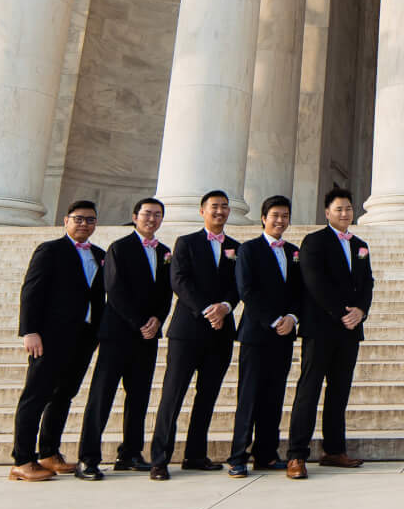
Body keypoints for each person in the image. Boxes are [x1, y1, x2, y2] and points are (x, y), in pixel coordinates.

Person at [74, 197, 171, 480]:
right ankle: (88, 458)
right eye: (146, 214)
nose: (151, 219)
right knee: (101, 396)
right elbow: (114, 290)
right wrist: (140, 321)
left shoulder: (164, 252)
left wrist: (157, 319)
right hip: (118, 334)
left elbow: (166, 292)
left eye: (157, 215)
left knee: (139, 397)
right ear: (135, 216)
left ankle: (130, 453)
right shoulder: (119, 247)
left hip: (147, 337)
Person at [9, 202, 106, 482]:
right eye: (78, 219)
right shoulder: (50, 250)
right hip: (49, 336)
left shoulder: (99, 255)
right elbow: (31, 290)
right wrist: (29, 331)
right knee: (35, 395)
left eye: (90, 220)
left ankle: (49, 452)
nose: (84, 224)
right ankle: (22, 459)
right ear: (66, 221)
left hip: (84, 337)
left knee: (63, 395)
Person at [148, 190, 240, 479]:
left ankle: (195, 455)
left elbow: (239, 285)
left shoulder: (237, 248)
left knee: (207, 395)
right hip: (188, 331)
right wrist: (206, 310)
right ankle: (159, 459)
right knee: (173, 395)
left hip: (221, 331)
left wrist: (224, 307)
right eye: (214, 207)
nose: (220, 211)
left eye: (225, 207)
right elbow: (179, 280)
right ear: (202, 211)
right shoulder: (186, 242)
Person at [287, 185, 373, 477]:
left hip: (350, 331)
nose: (345, 213)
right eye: (339, 209)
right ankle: (296, 454)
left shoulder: (360, 244)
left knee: (340, 391)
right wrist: (341, 313)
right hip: (320, 328)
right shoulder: (314, 241)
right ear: (327, 213)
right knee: (309, 390)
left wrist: (361, 311)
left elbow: (367, 283)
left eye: (348, 208)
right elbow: (314, 282)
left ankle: (334, 450)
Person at [227, 195, 303, 478]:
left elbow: (300, 293)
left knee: (274, 395)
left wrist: (292, 319)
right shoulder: (248, 249)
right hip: (256, 334)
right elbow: (246, 291)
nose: (280, 220)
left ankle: (266, 454)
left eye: (285, 215)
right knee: (249, 396)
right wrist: (274, 321)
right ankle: (238, 456)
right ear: (263, 217)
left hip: (284, 335)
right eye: (275, 215)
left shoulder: (294, 252)